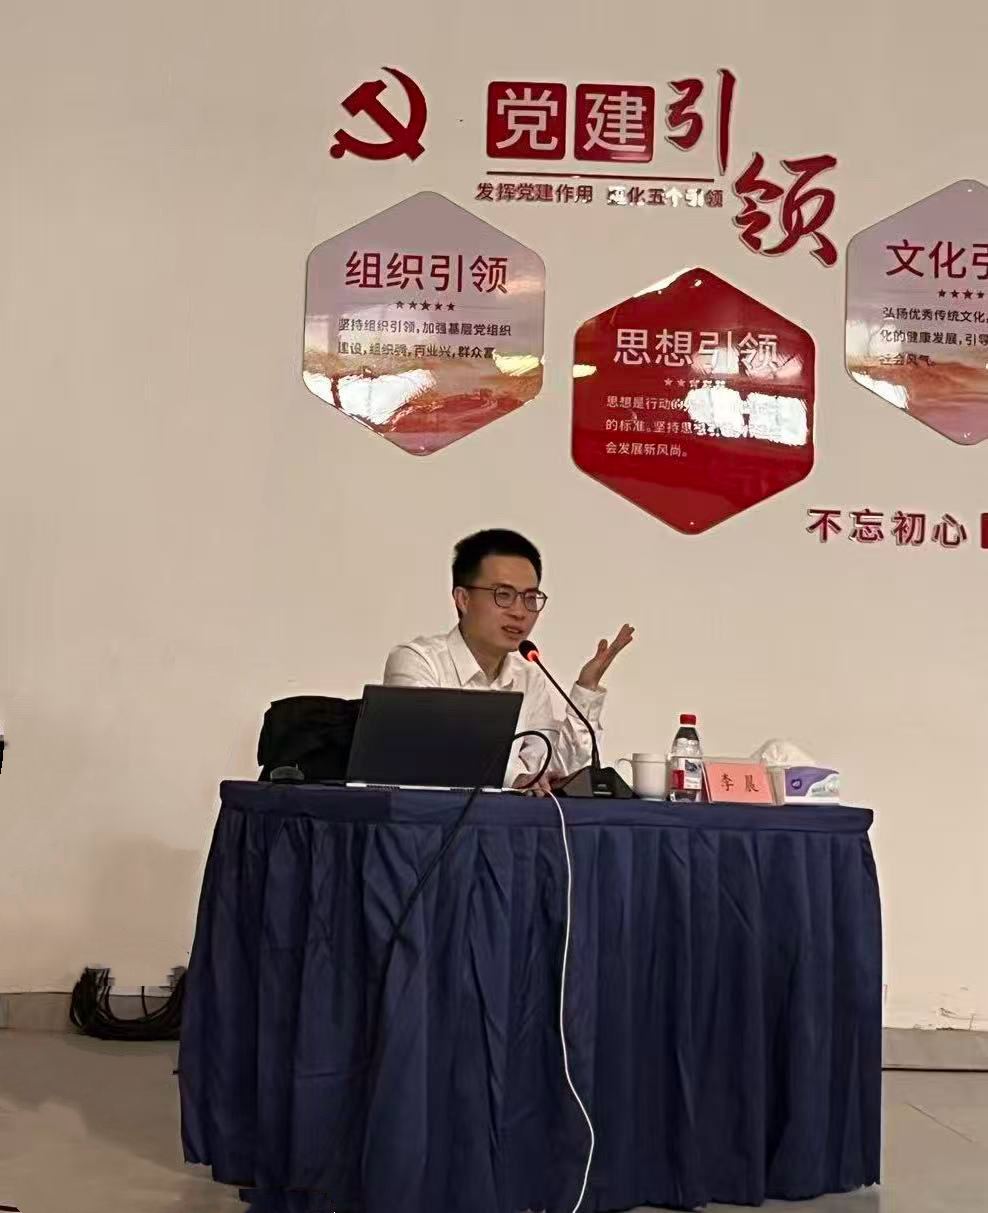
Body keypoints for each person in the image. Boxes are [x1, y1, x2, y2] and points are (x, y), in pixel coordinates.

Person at [383, 529, 634, 793]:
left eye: (530, 598)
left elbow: (551, 773)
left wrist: (586, 689)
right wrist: (513, 778)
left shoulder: (528, 677)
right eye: (503, 595)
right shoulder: (417, 661)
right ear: (463, 599)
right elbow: (427, 753)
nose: (519, 612)